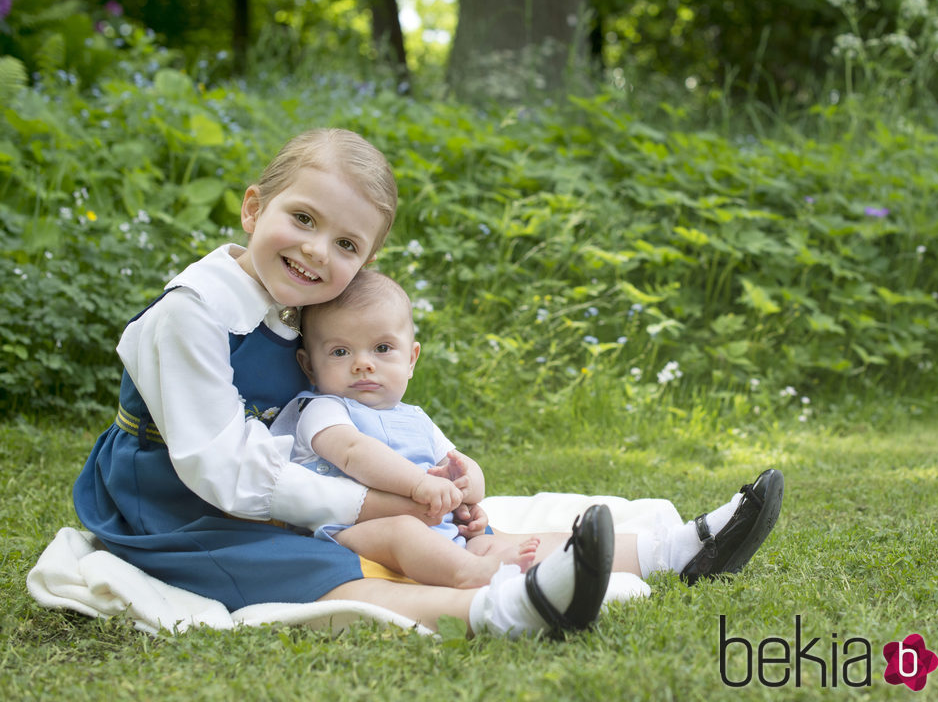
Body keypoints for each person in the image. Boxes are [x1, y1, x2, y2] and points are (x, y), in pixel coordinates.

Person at [71, 126, 784, 639]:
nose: (318, 251)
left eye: (347, 244)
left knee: (470, 528)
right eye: (302, 219)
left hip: (278, 476)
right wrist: (372, 499)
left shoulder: (302, 300)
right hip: (173, 492)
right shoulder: (192, 315)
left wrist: (407, 491)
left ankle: (677, 549)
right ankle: (502, 610)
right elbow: (222, 472)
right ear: (253, 209)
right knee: (323, 564)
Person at [271, 269, 540, 589]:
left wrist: (464, 488)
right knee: (402, 532)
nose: (363, 364)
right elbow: (353, 453)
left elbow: (457, 462)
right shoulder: (323, 410)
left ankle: (518, 571)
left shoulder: (416, 419)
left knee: (484, 541)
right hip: (355, 533)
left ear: (411, 360)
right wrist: (419, 485)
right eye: (340, 352)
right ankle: (468, 573)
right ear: (310, 366)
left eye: (382, 348)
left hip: (436, 532)